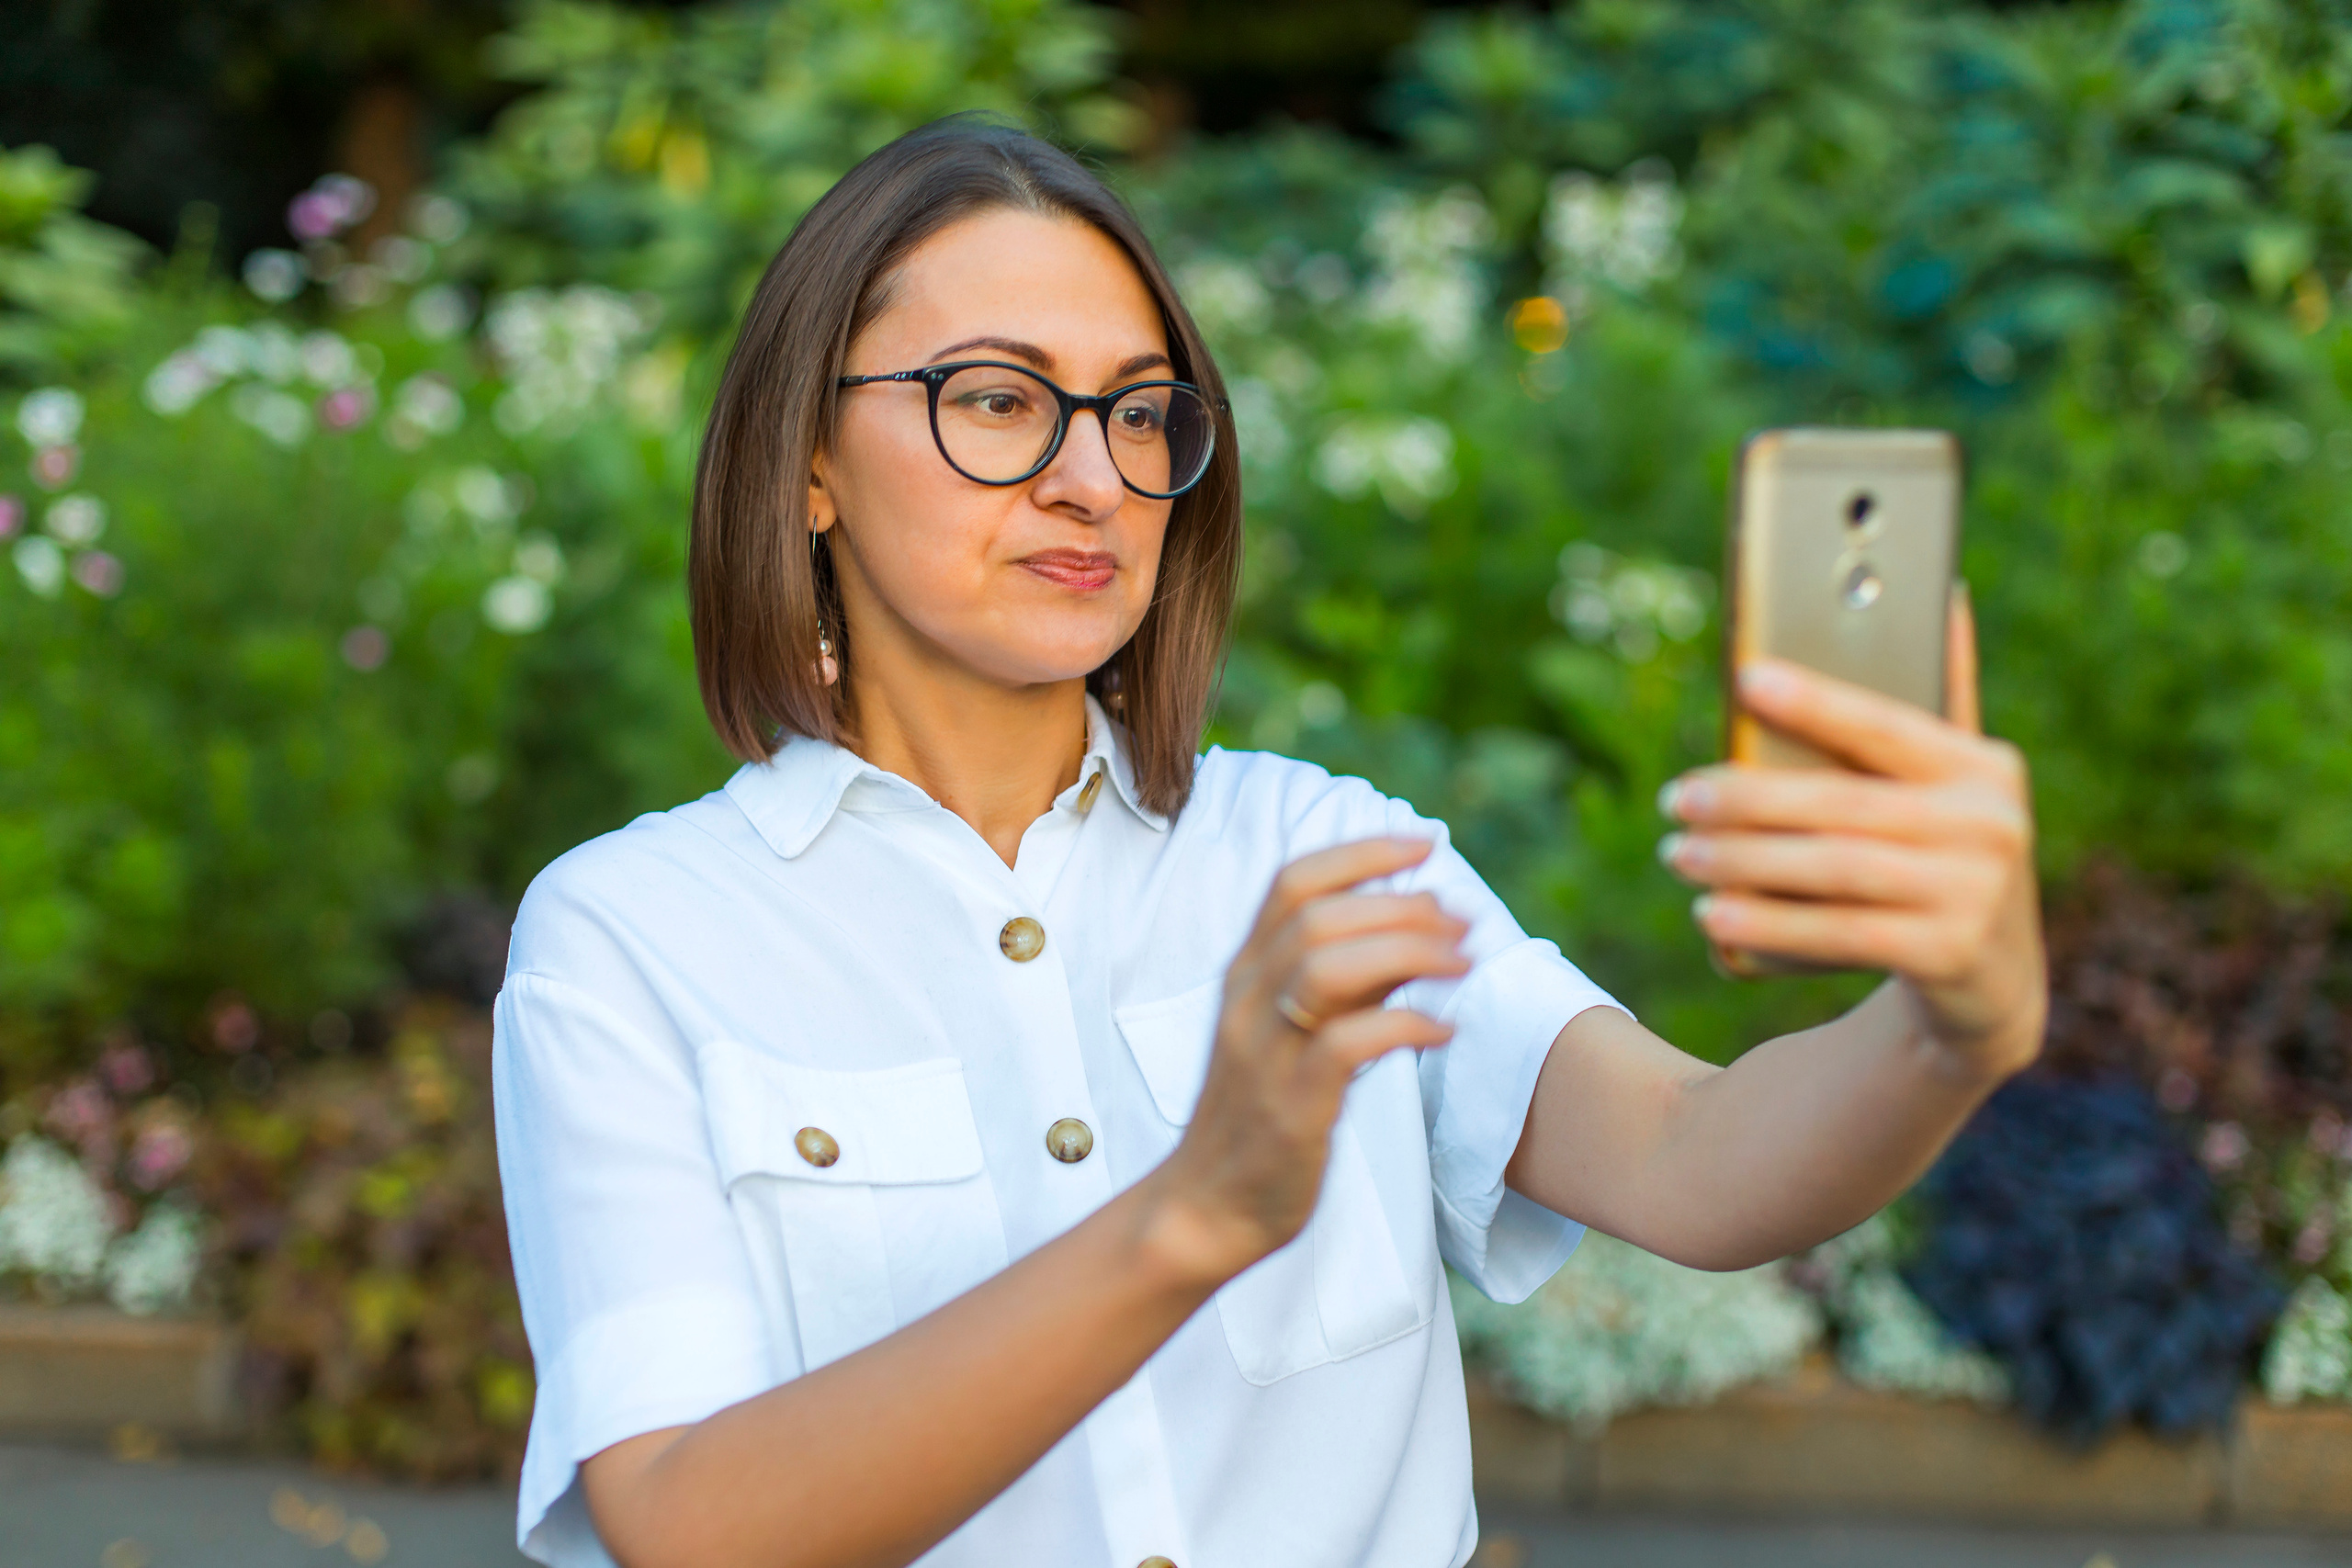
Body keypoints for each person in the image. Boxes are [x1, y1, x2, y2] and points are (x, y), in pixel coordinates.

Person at [491, 117, 2046, 1568]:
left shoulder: (1320, 856)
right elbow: (684, 1519)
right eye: (998, 400)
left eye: (1139, 412)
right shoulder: (633, 937)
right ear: (810, 462)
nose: (1094, 479)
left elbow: (1695, 1160)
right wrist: (1197, 1211)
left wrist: (1949, 1028)